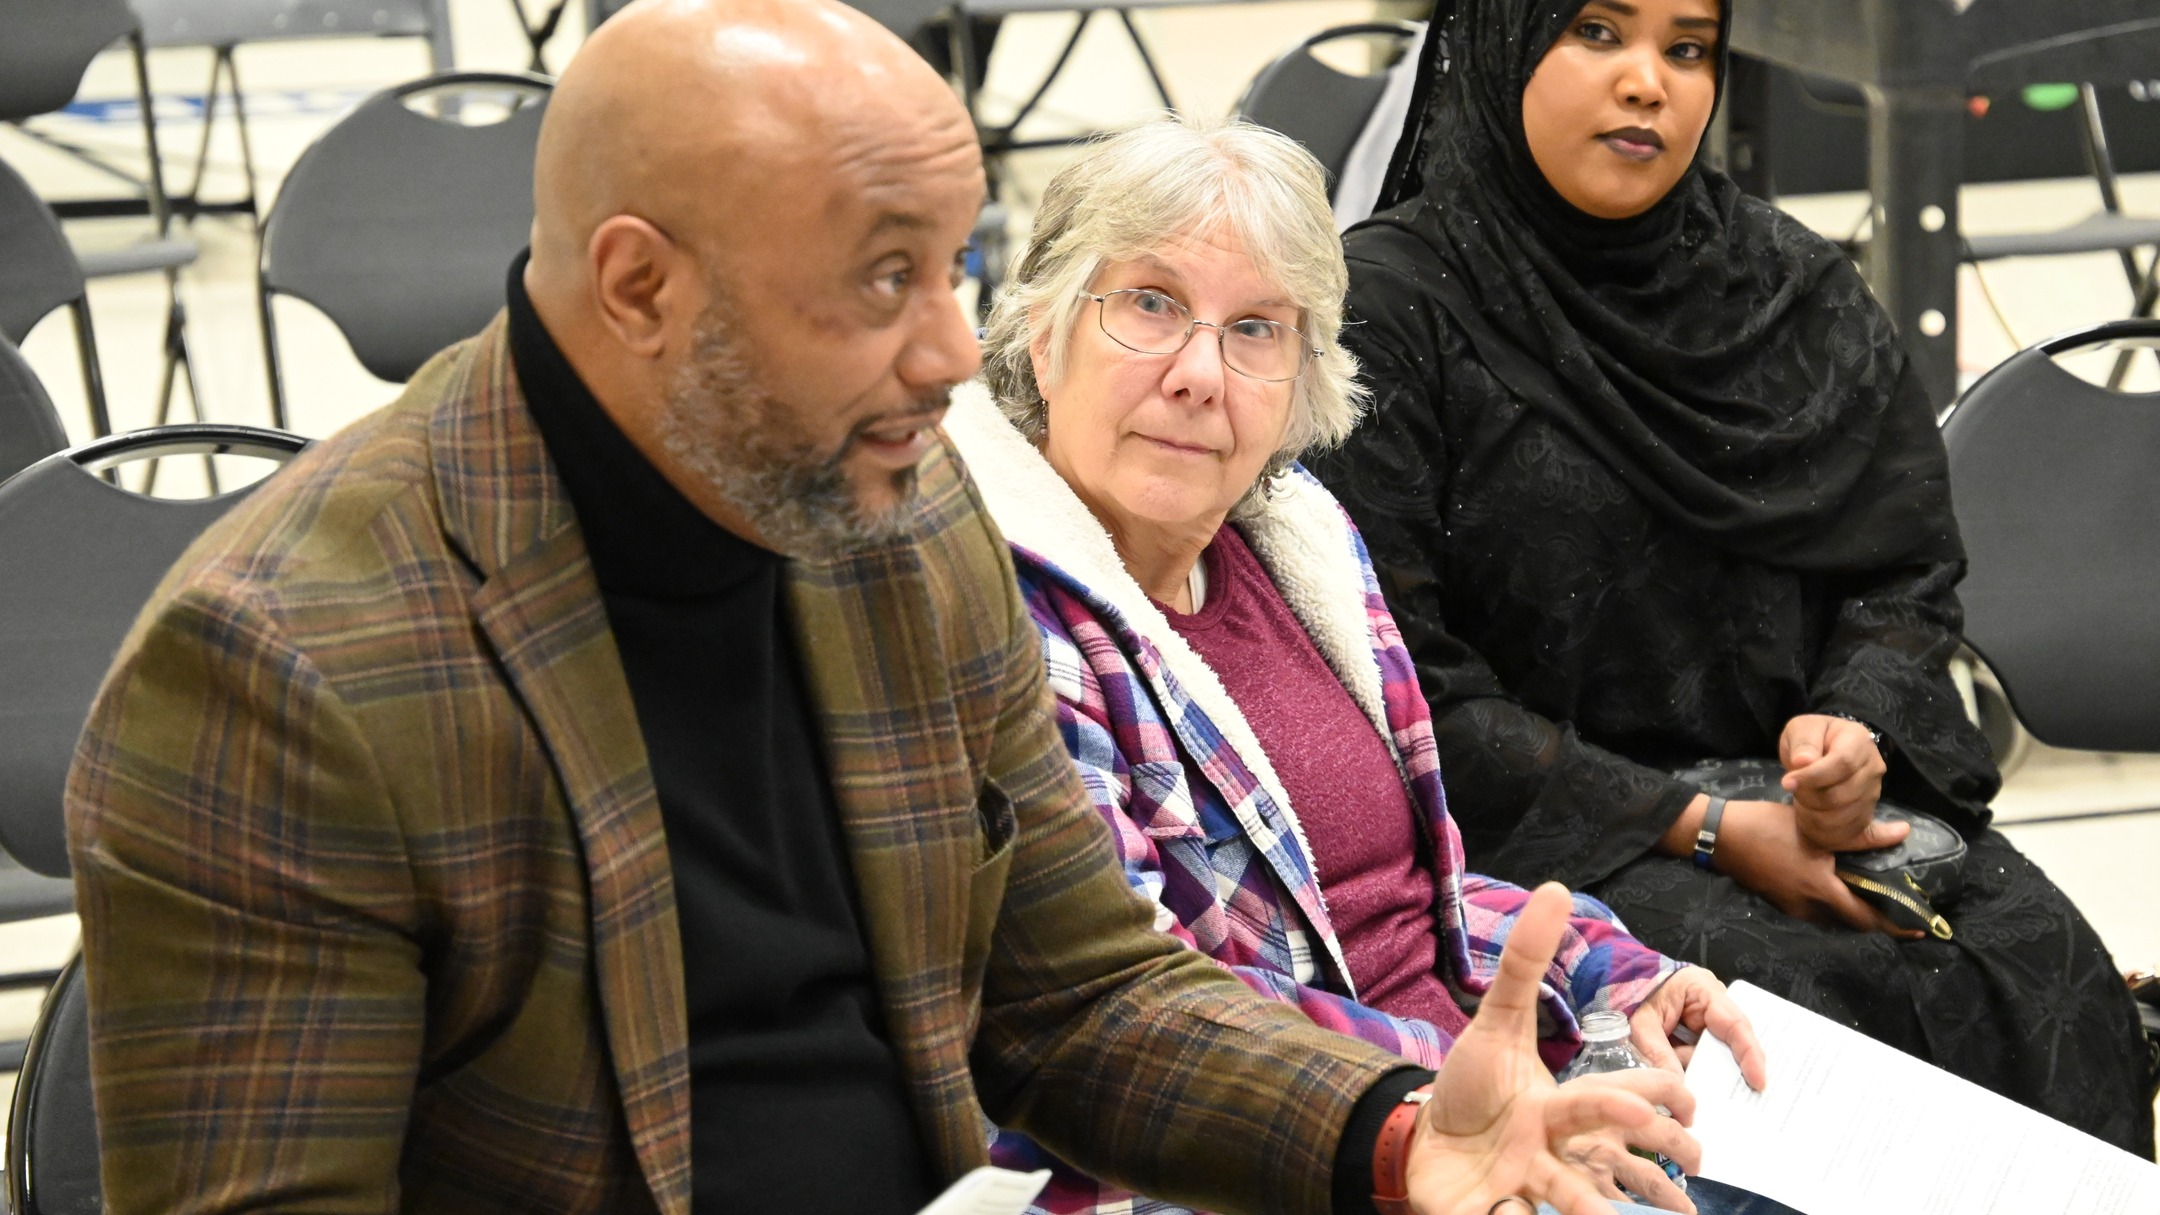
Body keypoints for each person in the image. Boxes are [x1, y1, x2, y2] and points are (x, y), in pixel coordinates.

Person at [61, 1, 1702, 1213]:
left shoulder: (901, 522)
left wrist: (1397, 1134)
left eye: (954, 269)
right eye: (876, 281)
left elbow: (1085, 998)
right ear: (641, 287)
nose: (947, 358)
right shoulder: (288, 669)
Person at [1306, 0, 2157, 1157]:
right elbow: (1394, 685)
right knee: (1780, 1030)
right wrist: (1706, 826)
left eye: (1687, 48)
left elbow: (1899, 574)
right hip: (1541, 836)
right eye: (1597, 33)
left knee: (2029, 959)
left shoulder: (1790, 292)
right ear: (1499, 40)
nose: (1649, 82)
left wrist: (1848, 735)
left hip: (1801, 806)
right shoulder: (1391, 314)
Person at [951, 117, 1776, 1215]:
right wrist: (1459, 1099)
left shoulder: (1297, 543)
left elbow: (1401, 906)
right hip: (1269, 1166)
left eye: (1256, 328)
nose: (1201, 373)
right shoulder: (1009, 624)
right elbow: (1132, 1019)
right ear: (1043, 337)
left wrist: (1611, 974)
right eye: (1149, 304)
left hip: (1462, 1116)